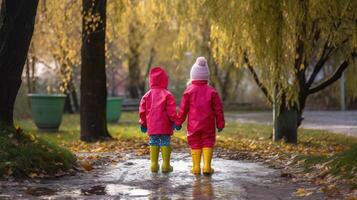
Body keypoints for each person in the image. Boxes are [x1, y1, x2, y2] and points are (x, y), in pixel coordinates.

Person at [176, 57, 225, 175]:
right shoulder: (212, 91)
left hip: (193, 125)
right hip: (208, 125)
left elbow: (183, 109)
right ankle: (207, 167)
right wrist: (220, 123)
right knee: (208, 142)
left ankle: (196, 167)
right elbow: (218, 109)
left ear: (193, 76)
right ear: (206, 76)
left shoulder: (188, 91)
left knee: (195, 142)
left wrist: (178, 122)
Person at [139, 67, 177, 173]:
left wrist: (143, 123)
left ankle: (154, 165)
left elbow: (142, 111)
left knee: (153, 142)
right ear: (165, 80)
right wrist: (175, 121)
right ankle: (166, 165)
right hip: (165, 126)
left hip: (152, 126)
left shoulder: (147, 95)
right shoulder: (167, 94)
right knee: (165, 142)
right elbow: (171, 111)